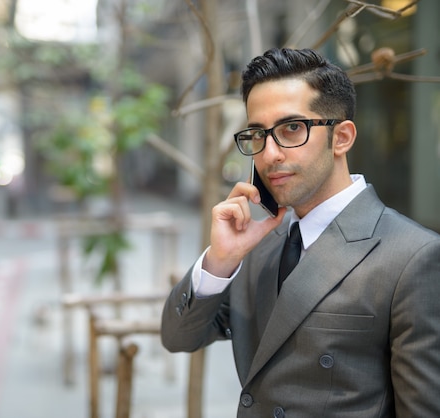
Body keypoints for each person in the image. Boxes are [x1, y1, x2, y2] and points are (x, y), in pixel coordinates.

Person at [161, 47, 440, 417]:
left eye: (292, 128)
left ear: (341, 137)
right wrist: (220, 260)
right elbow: (179, 337)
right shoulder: (259, 245)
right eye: (258, 133)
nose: (270, 153)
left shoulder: (412, 256)